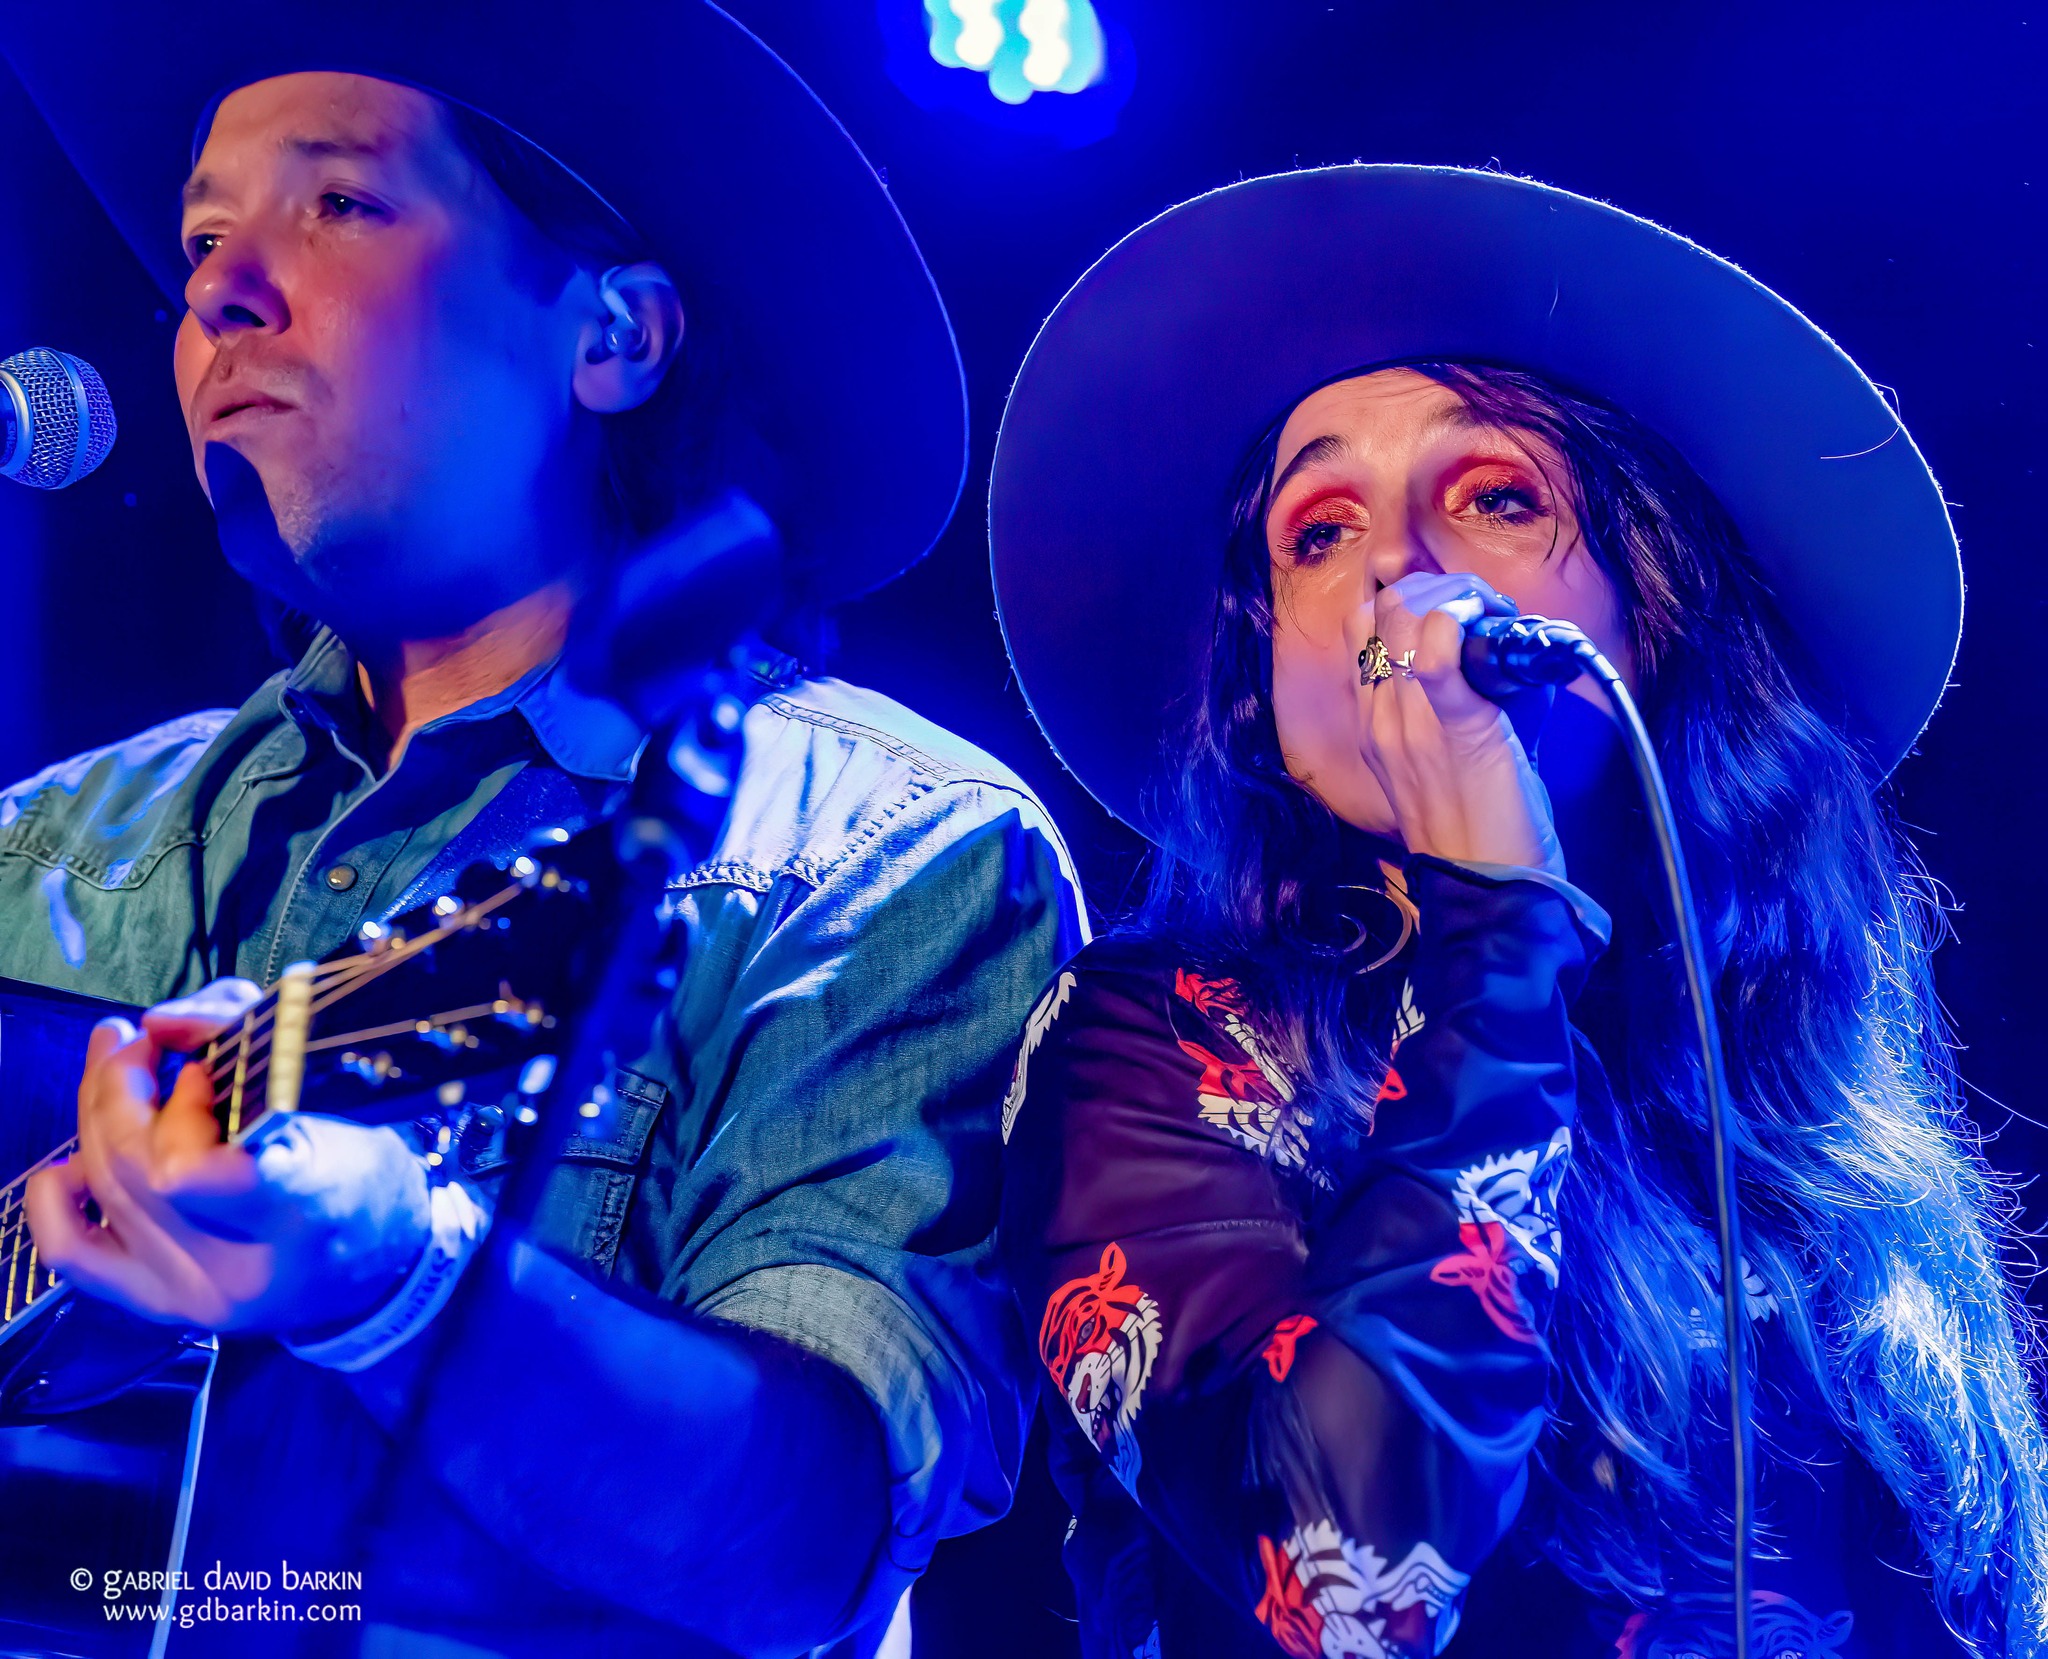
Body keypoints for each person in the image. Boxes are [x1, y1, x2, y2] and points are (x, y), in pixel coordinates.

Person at [0, 6, 1082, 1654]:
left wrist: (399, 1274)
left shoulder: (880, 845)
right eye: (202, 235)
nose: (215, 287)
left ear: (614, 340)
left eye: (337, 204)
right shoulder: (39, 850)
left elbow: (813, 1539)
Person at [987, 166, 2048, 1658]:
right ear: (1269, 681)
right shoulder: (1146, 1044)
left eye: (1496, 495)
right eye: (1318, 531)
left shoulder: (1806, 1093)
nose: (1396, 572)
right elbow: (1351, 1584)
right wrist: (1492, 916)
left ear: (1657, 602)